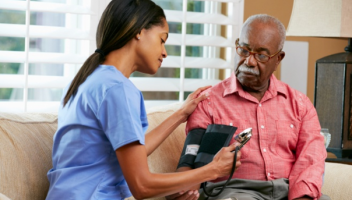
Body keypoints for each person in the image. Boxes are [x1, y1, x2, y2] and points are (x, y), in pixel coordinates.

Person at [45, 0, 242, 199]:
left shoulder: (87, 80)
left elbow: (130, 153)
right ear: (139, 31)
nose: (164, 52)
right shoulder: (117, 89)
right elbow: (141, 186)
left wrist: (181, 114)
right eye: (162, 39)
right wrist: (213, 169)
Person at [168, 14, 330, 200]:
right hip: (234, 192)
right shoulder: (208, 101)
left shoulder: (300, 104)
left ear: (278, 59)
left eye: (261, 55)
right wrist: (182, 189)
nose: (249, 61)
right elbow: (190, 160)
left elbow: (311, 160)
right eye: (244, 50)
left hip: (289, 191)